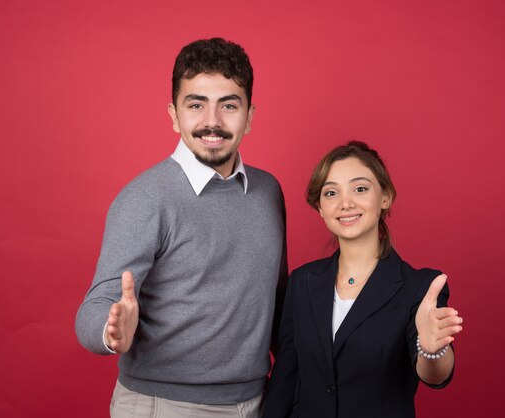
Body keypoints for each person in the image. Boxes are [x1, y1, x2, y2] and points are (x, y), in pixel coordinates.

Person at [75, 38, 287, 418]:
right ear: (174, 115)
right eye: (196, 105)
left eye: (229, 105)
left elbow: (277, 303)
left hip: (259, 401)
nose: (213, 122)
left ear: (250, 116)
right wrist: (110, 332)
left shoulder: (267, 191)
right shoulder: (145, 197)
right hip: (165, 406)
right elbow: (97, 304)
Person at [262, 141, 463, 418]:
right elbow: (285, 379)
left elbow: (436, 375)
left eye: (360, 188)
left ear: (385, 197)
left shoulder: (421, 287)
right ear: (320, 207)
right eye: (331, 193)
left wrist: (431, 351)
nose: (346, 203)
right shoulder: (302, 282)